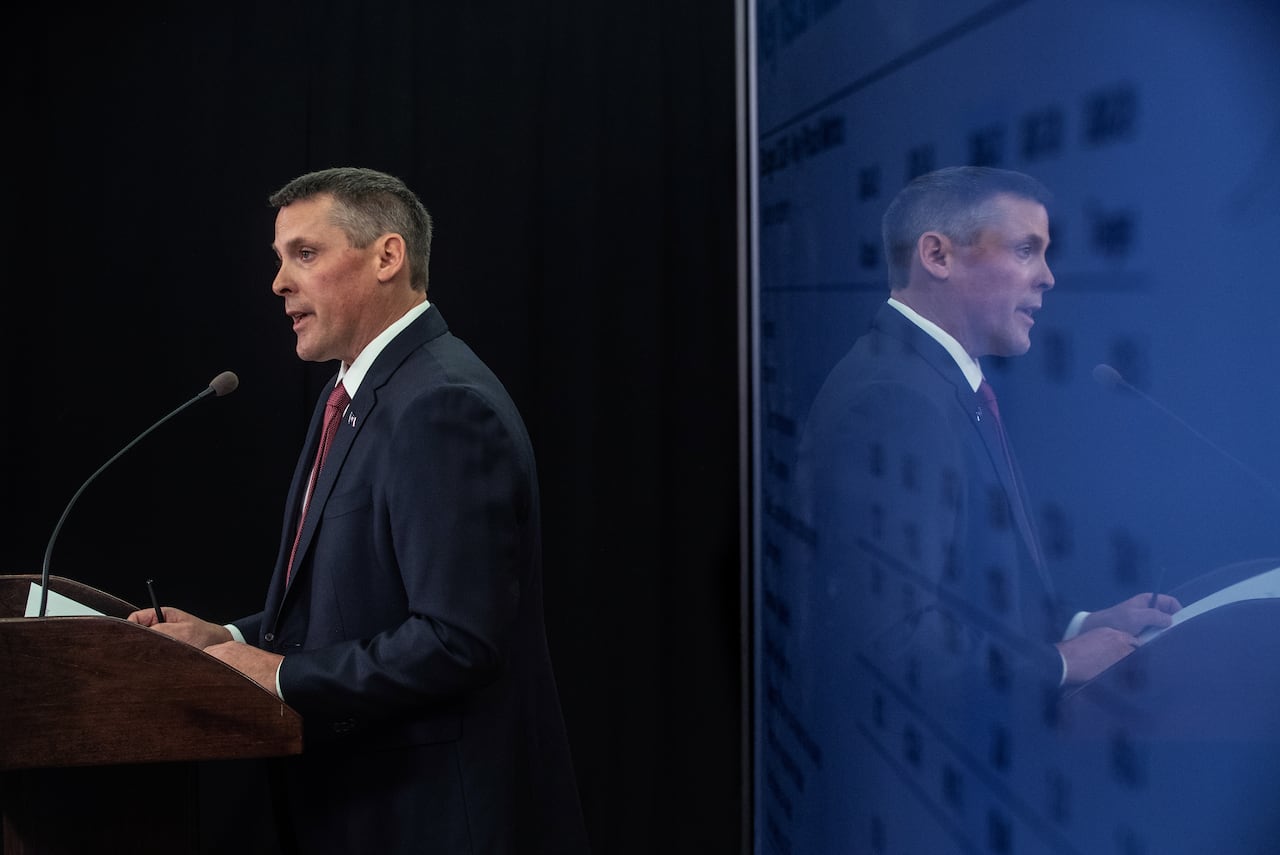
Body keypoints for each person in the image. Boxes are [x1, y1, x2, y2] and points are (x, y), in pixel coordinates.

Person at [129, 166, 590, 854]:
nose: (279, 282)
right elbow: (359, 603)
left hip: (434, 820)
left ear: (387, 256)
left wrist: (278, 673)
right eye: (279, 259)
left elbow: (455, 639)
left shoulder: (442, 404)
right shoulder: (352, 393)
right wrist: (228, 639)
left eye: (304, 254)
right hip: (359, 808)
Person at [783, 166, 1182, 850]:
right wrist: (1058, 663)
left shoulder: (928, 379)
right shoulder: (896, 398)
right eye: (1027, 249)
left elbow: (961, 596)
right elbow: (893, 645)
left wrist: (1083, 625)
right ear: (937, 255)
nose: (1049, 276)